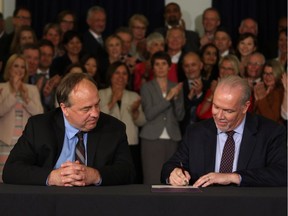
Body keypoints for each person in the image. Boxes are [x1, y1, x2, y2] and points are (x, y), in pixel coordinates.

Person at [3, 72, 135, 186]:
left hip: (96, 204)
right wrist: (52, 177)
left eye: (97, 104)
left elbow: (128, 172)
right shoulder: (40, 127)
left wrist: (95, 175)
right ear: (64, 109)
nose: (95, 113)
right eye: (86, 108)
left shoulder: (113, 128)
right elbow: (11, 170)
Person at [161, 75, 287, 187]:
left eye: (228, 111)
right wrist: (174, 173)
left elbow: (282, 173)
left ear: (245, 107)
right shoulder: (196, 132)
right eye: (216, 107)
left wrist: (234, 177)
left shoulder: (270, 132)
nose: (219, 116)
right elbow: (170, 166)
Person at [140, 51, 184, 184]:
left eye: (164, 64)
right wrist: (169, 98)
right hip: (151, 138)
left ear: (170, 66)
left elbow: (180, 115)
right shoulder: (146, 87)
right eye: (157, 64)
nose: (160, 67)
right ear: (152, 67)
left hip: (172, 137)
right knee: (151, 178)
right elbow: (149, 114)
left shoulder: (175, 87)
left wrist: (176, 99)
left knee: (171, 179)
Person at [99, 62, 146, 183]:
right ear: (110, 75)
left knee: (130, 177)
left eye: (124, 73)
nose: (121, 76)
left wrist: (135, 112)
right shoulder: (100, 94)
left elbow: (141, 122)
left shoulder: (134, 96)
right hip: (107, 144)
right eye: (117, 73)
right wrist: (112, 102)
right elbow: (96, 118)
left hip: (130, 143)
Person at [0, 54, 43, 181]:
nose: (19, 70)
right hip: (4, 141)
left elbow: (39, 114)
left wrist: (26, 99)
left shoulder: (32, 89)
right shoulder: (2, 87)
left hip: (25, 141)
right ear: (9, 68)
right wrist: (13, 93)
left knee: (20, 177)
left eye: (22, 67)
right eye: (16, 66)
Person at [196, 54, 240, 120]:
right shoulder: (213, 86)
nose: (225, 71)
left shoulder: (241, 90)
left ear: (235, 71)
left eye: (229, 69)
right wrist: (213, 92)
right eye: (223, 68)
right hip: (208, 126)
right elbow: (201, 113)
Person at [180, 52, 208, 134]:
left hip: (205, 134)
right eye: (186, 66)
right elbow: (179, 114)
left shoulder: (210, 86)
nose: (190, 69)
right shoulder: (178, 87)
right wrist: (189, 98)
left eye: (193, 65)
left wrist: (199, 94)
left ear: (201, 65)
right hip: (183, 134)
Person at [253, 60, 285, 124]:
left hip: (273, 131)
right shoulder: (261, 89)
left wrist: (261, 99)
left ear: (278, 75)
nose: (267, 77)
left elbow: (272, 119)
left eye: (271, 74)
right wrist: (257, 100)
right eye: (265, 73)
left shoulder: (280, 92)